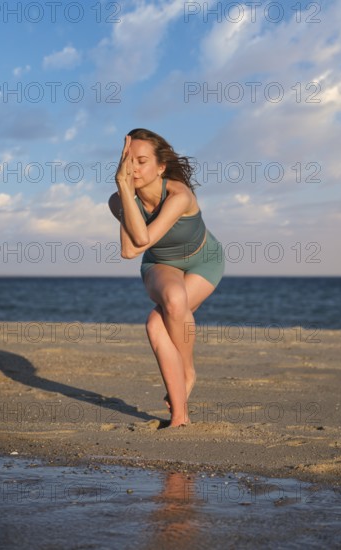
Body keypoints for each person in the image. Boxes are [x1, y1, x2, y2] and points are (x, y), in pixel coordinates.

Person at [108, 129, 225, 428]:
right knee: (172, 300)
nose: (133, 168)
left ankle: (186, 373)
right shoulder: (118, 199)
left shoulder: (179, 194)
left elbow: (143, 237)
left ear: (161, 167)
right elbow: (128, 250)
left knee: (156, 322)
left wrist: (125, 190)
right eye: (128, 161)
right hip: (161, 265)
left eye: (141, 161)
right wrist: (125, 192)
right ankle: (179, 417)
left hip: (204, 260)